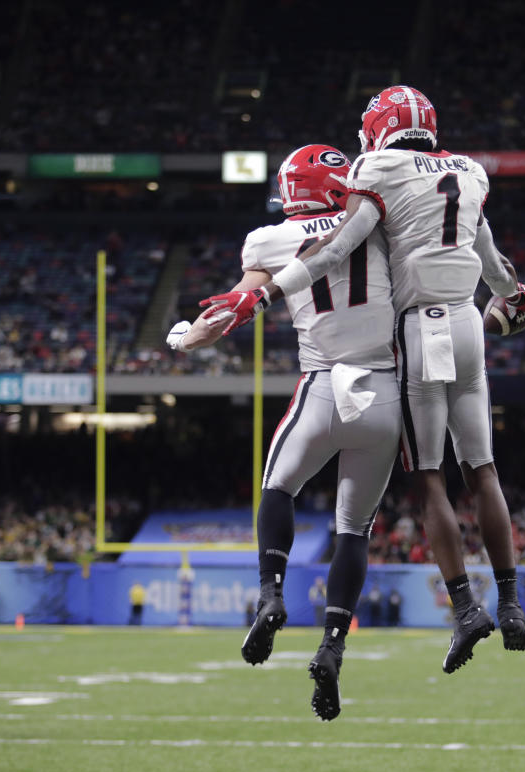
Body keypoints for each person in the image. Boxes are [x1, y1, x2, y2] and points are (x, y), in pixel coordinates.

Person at [201, 86, 525, 674]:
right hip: (470, 321)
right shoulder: (469, 170)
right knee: (483, 470)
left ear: (378, 127)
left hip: (418, 332)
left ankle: (465, 607)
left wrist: (260, 296)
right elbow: (496, 266)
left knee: (431, 478)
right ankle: (511, 602)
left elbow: (336, 249)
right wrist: (515, 299)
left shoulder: (376, 167)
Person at [172, 144, 400, 720]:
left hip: (323, 384)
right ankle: (332, 646)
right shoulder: (377, 221)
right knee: (354, 530)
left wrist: (183, 338)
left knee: (278, 487)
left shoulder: (268, 240)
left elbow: (223, 317)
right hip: (385, 389)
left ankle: (271, 590)